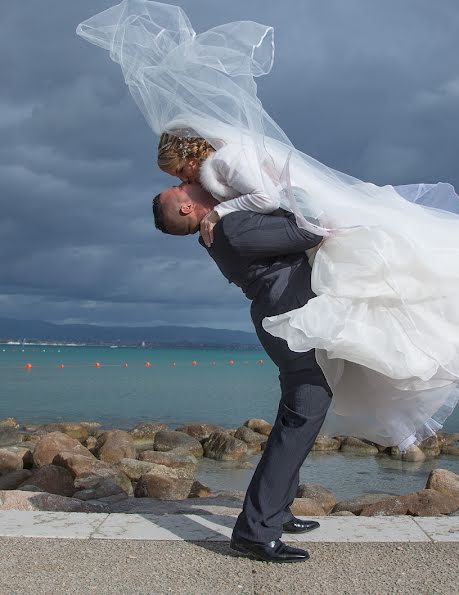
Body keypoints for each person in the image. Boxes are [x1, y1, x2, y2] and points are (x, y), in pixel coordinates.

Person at [79, 1, 459, 450]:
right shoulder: (223, 194)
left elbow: (272, 200)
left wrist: (228, 211)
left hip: (304, 230)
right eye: (177, 185)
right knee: (385, 289)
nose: (183, 182)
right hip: (293, 281)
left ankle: (267, 517)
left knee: (374, 302)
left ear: (185, 166)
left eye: (175, 177)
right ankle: (265, 521)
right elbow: (280, 217)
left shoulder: (219, 174)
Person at [153, 181, 329, 563]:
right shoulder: (231, 227)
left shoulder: (220, 226)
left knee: (297, 412)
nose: (185, 183)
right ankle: (255, 530)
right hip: (288, 318)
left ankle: (277, 511)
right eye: (177, 187)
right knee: (305, 410)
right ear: (185, 208)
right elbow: (309, 229)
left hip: (284, 315)